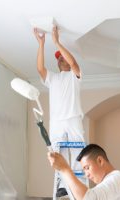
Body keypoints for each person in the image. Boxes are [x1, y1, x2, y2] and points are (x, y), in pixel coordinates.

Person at [33, 26, 85, 197]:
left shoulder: (75, 76)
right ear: (57, 63)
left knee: (78, 152)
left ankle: (78, 184)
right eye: (59, 58)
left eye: (63, 57)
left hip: (73, 118)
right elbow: (40, 69)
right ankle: (63, 184)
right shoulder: (53, 79)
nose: (61, 60)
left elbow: (74, 63)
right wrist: (41, 43)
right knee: (57, 154)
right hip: (56, 122)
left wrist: (57, 42)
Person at [48, 144, 120, 200]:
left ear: (100, 161)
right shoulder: (113, 182)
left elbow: (89, 198)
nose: (87, 175)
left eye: (87, 168)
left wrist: (65, 168)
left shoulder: (117, 179)